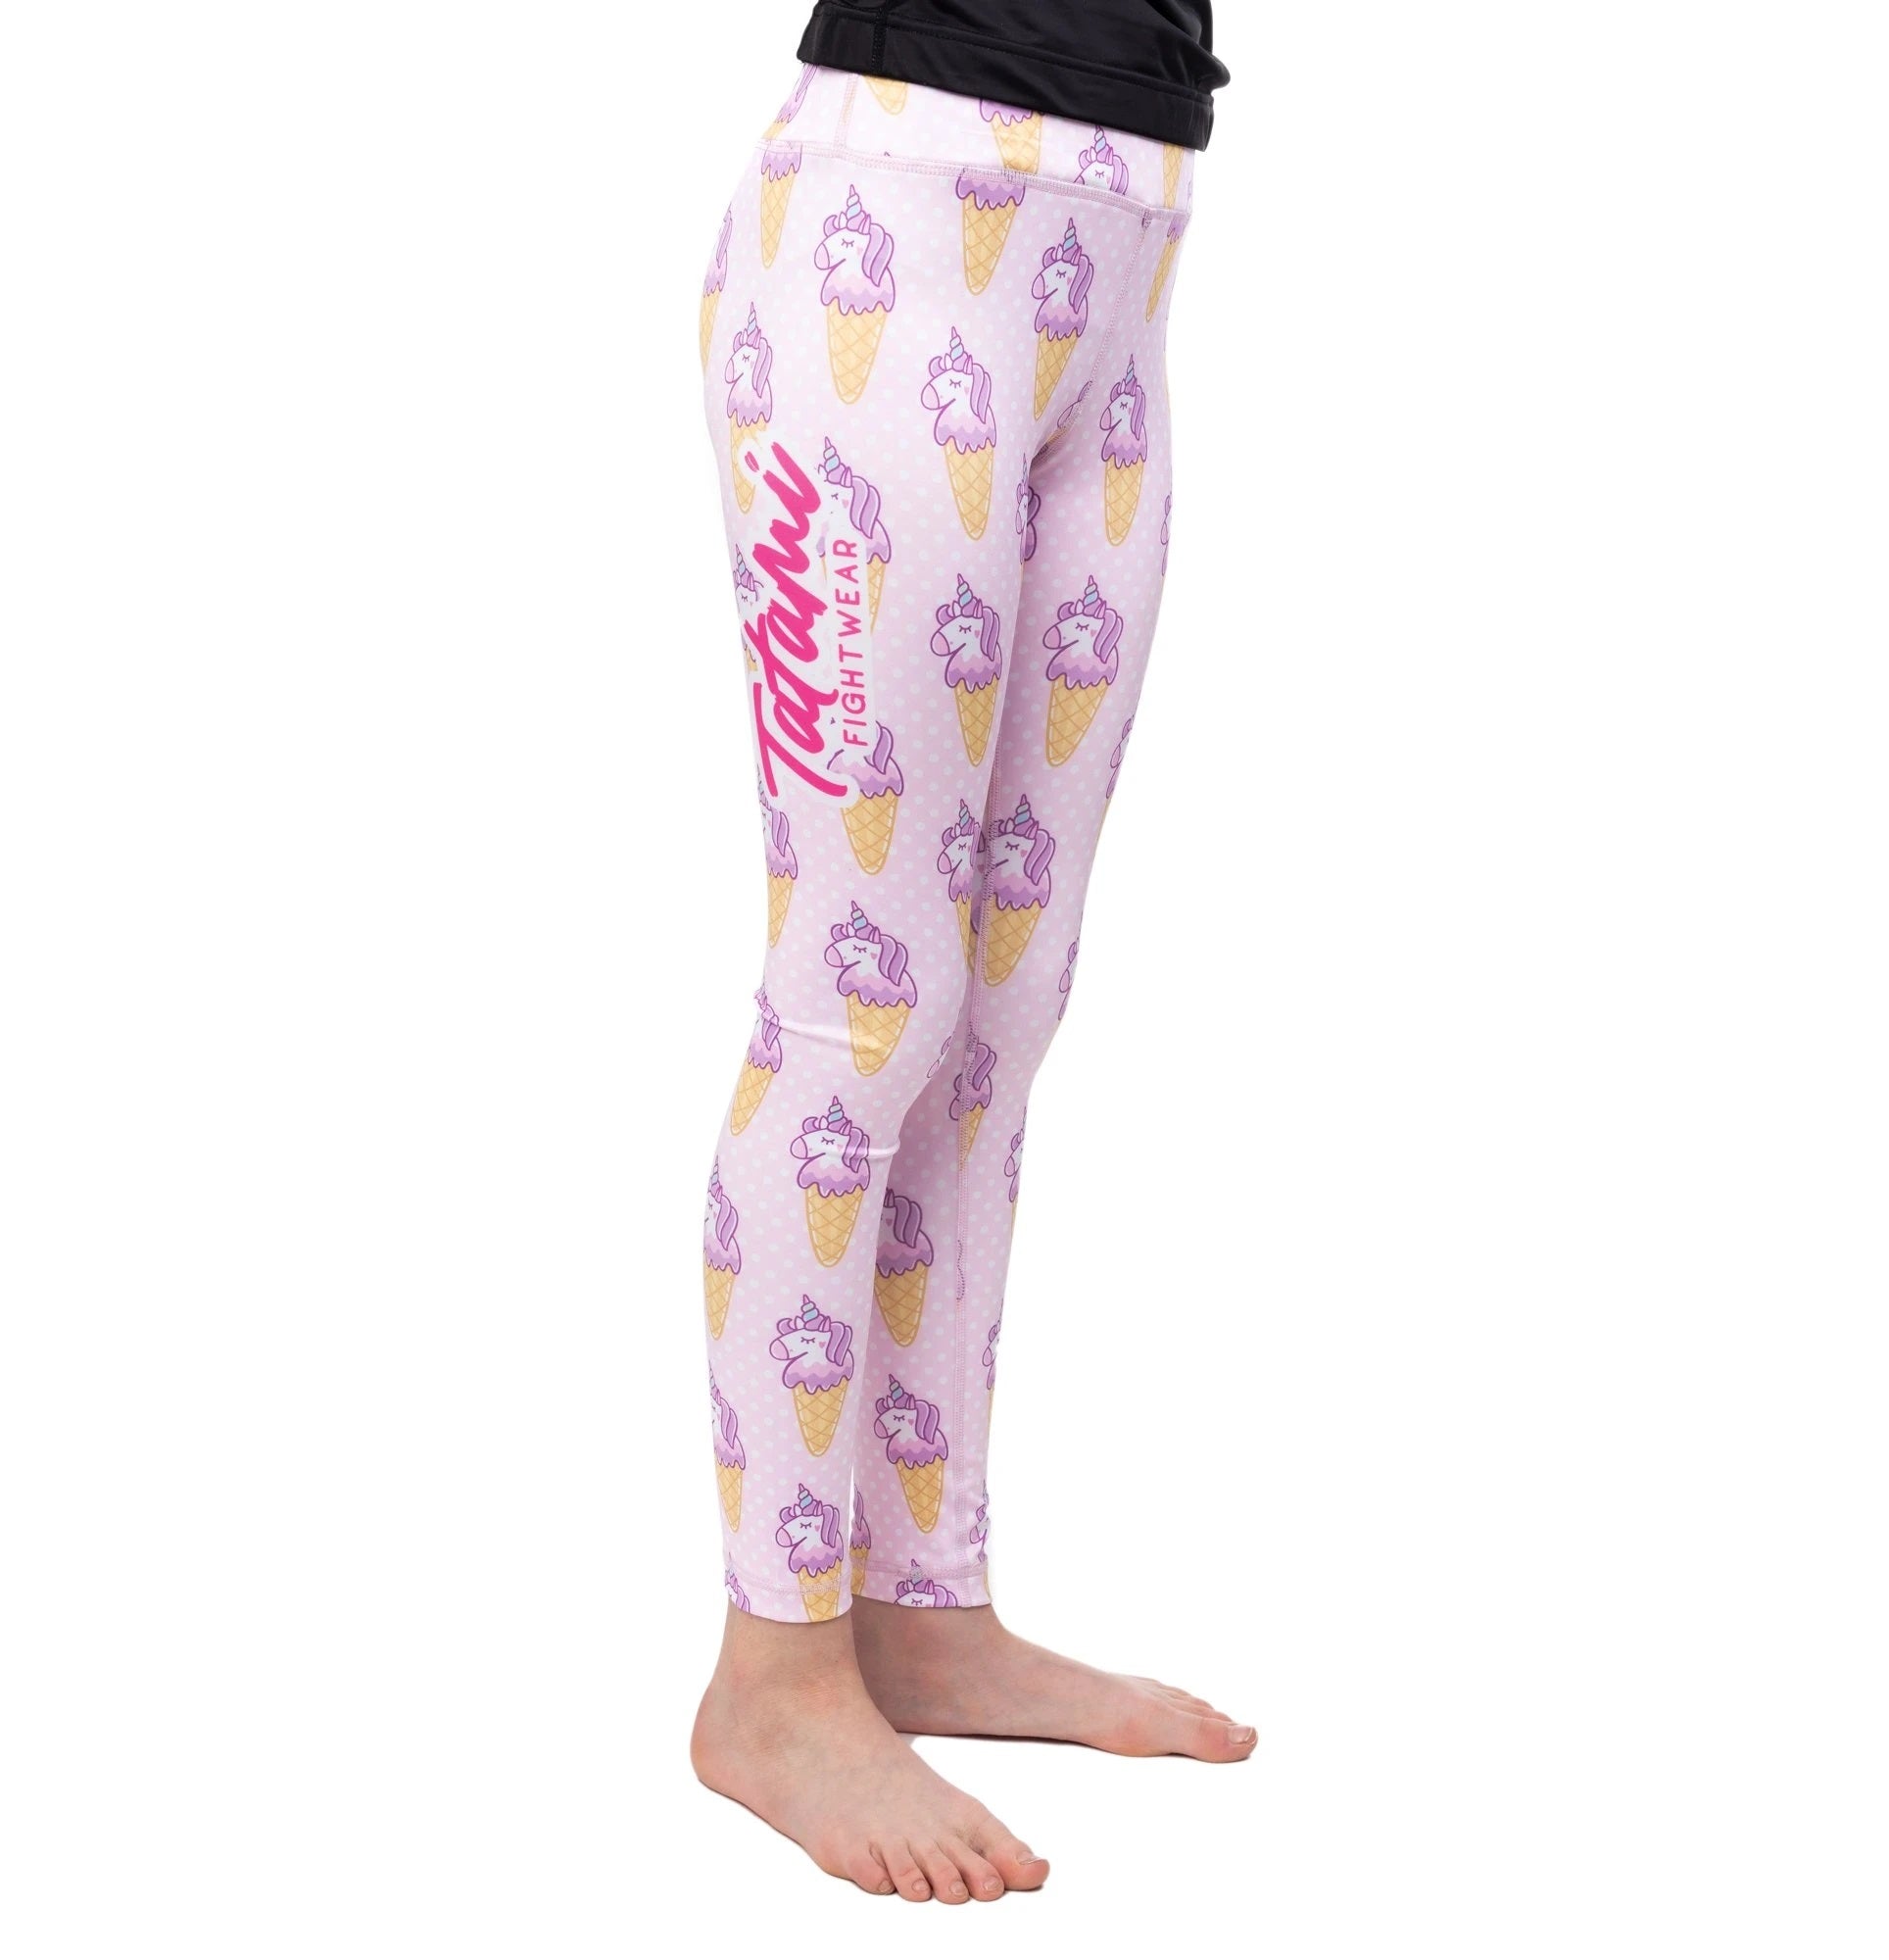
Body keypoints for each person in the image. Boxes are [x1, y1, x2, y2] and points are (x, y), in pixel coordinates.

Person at [692, 2, 1252, 1902]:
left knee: (999, 1008)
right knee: (861, 1005)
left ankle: (923, 1607)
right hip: (899, 222)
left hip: (1123, 269)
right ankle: (773, 1674)